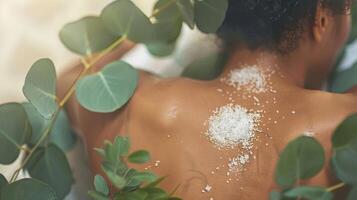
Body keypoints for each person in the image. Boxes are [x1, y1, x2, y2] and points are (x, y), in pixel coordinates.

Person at [58, 0, 356, 199]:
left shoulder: (134, 108)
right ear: (322, 18)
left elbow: (67, 83)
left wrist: (148, 25)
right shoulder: (340, 128)